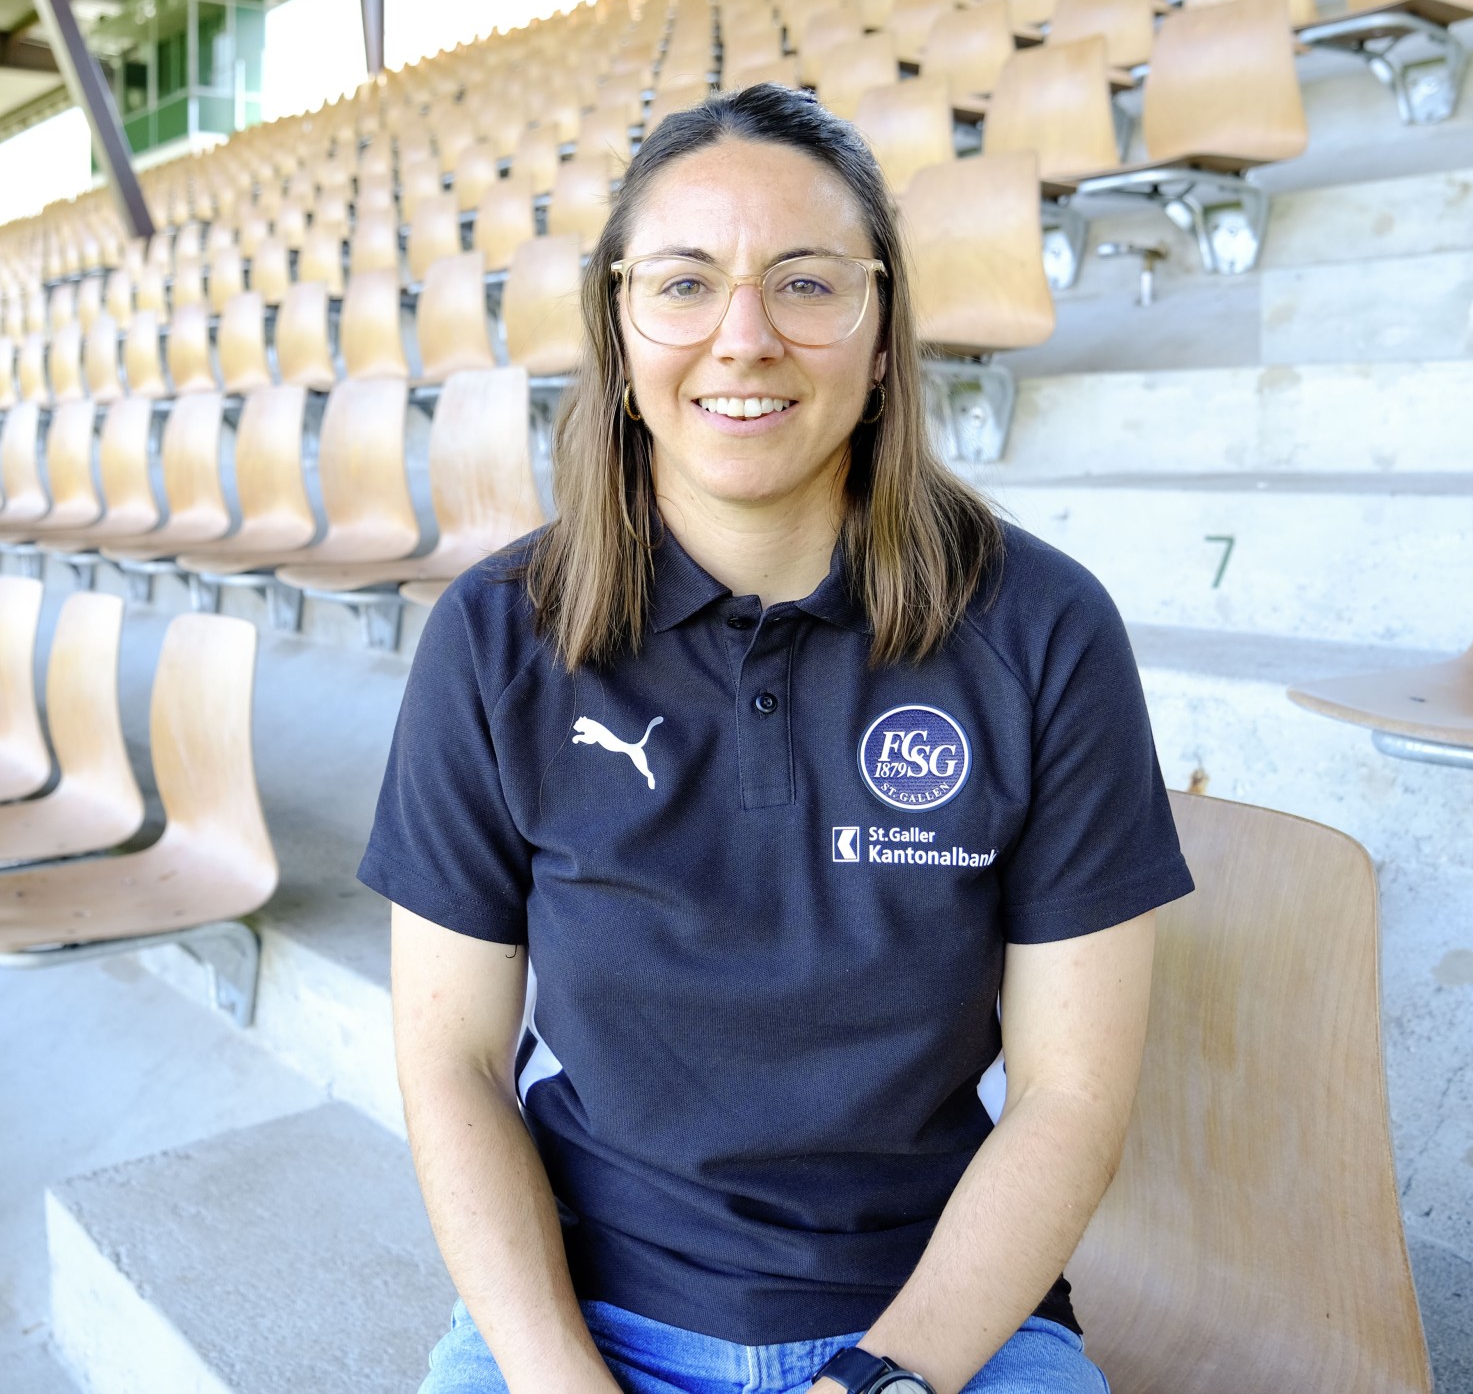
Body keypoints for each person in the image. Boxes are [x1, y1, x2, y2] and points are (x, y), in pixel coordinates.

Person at [359, 84, 1192, 1394]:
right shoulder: (494, 638)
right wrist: (561, 1379)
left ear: (880, 332)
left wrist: (886, 1380)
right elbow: (452, 1059)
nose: (743, 339)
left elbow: (1071, 1099)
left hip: (939, 1324)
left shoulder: (1045, 630)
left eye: (806, 284)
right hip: (583, 1316)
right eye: (684, 285)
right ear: (621, 329)